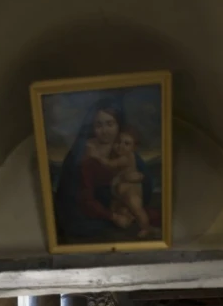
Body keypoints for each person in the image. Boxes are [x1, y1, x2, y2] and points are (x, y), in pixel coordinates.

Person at [54, 99, 156, 242]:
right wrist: (113, 217)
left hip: (120, 205)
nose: (105, 131)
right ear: (92, 127)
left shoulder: (122, 146)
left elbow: (144, 180)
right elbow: (83, 198)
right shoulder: (85, 153)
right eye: (99, 125)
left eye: (110, 124)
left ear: (118, 125)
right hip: (88, 212)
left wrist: (136, 178)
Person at [87, 126, 153, 238]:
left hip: (130, 192)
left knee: (137, 209)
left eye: (126, 144)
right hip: (119, 192)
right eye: (118, 142)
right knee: (116, 209)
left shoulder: (126, 158)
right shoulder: (120, 155)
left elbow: (109, 164)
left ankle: (146, 228)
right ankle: (127, 219)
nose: (121, 146)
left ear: (134, 148)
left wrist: (96, 156)